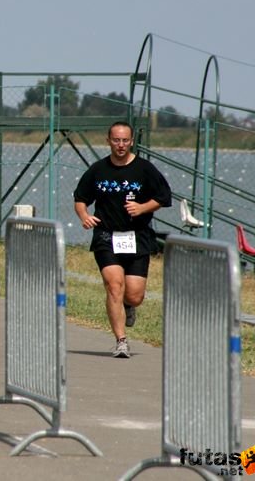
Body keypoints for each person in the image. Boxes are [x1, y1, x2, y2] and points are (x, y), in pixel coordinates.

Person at [73, 121, 171, 359]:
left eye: (125, 140)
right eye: (116, 140)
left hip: (137, 237)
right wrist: (84, 216)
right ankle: (121, 341)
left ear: (131, 141)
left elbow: (164, 197)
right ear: (108, 141)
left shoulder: (144, 169)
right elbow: (80, 198)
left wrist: (143, 207)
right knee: (114, 285)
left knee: (134, 295)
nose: (120, 145)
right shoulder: (98, 170)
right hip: (106, 236)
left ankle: (128, 306)